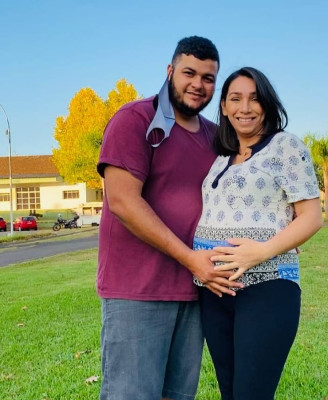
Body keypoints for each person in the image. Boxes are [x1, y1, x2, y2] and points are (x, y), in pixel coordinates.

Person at [96, 36, 242, 400]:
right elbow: (122, 202)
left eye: (208, 78)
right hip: (138, 290)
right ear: (170, 71)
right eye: (189, 73)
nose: (198, 84)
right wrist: (190, 259)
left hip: (195, 291)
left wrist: (275, 235)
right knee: (131, 394)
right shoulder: (135, 120)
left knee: (178, 395)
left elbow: (237, 196)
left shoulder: (215, 137)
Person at [193, 67, 323, 400]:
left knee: (252, 393)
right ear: (224, 107)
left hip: (267, 287)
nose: (245, 108)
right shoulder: (221, 156)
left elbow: (311, 218)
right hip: (214, 291)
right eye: (235, 99)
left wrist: (262, 251)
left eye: (254, 98)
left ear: (267, 103)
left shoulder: (286, 147)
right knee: (230, 392)